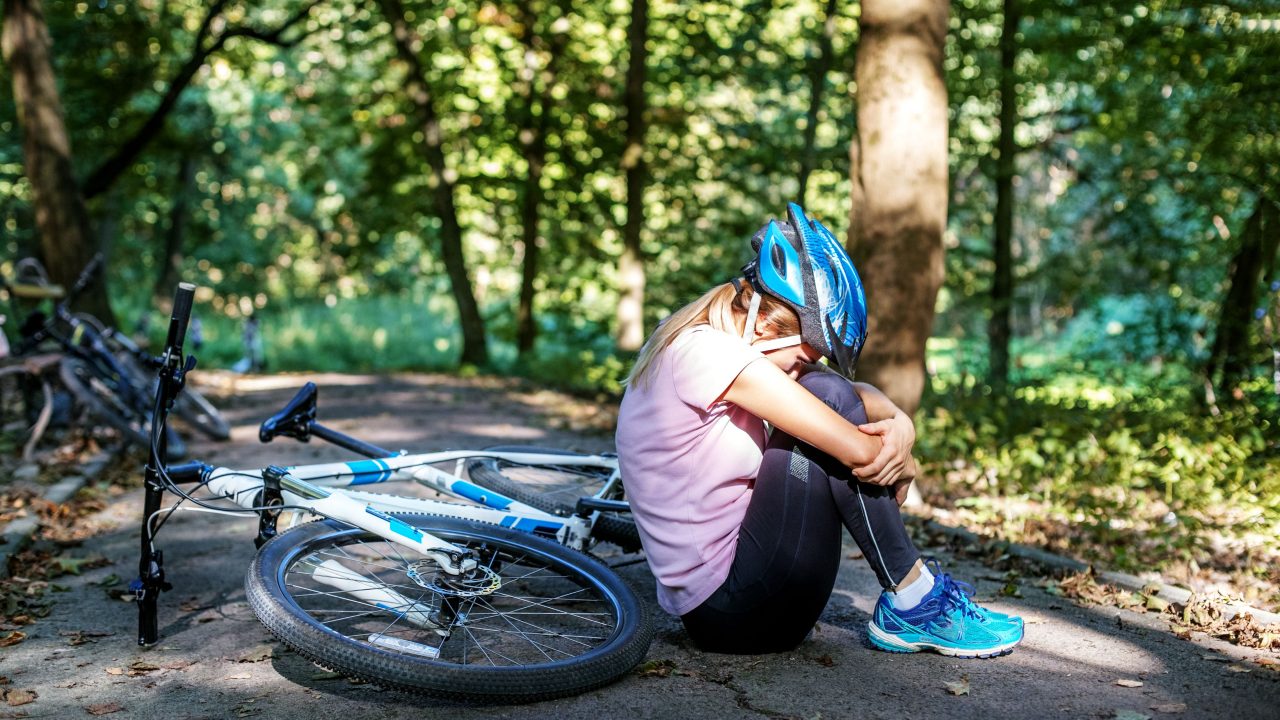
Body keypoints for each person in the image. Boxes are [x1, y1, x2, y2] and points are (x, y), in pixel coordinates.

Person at [616, 204, 1023, 657]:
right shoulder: (707, 355)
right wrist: (903, 464)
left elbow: (860, 394)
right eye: (804, 356)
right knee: (828, 398)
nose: (802, 370)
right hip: (734, 613)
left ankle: (915, 596)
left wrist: (902, 427)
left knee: (827, 390)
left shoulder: (693, 342)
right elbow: (856, 441)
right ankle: (915, 600)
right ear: (764, 322)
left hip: (744, 599)